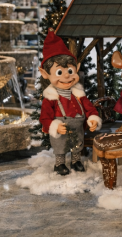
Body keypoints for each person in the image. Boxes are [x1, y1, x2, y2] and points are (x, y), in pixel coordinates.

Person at [39, 30, 102, 175]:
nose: (66, 76)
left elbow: (89, 108)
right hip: (61, 126)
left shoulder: (79, 94)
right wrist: (55, 126)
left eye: (70, 71)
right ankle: (59, 163)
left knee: (77, 143)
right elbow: (45, 117)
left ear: (77, 69)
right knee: (60, 145)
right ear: (45, 74)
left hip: (77, 126)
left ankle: (76, 161)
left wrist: (93, 118)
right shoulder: (50, 98)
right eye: (59, 72)